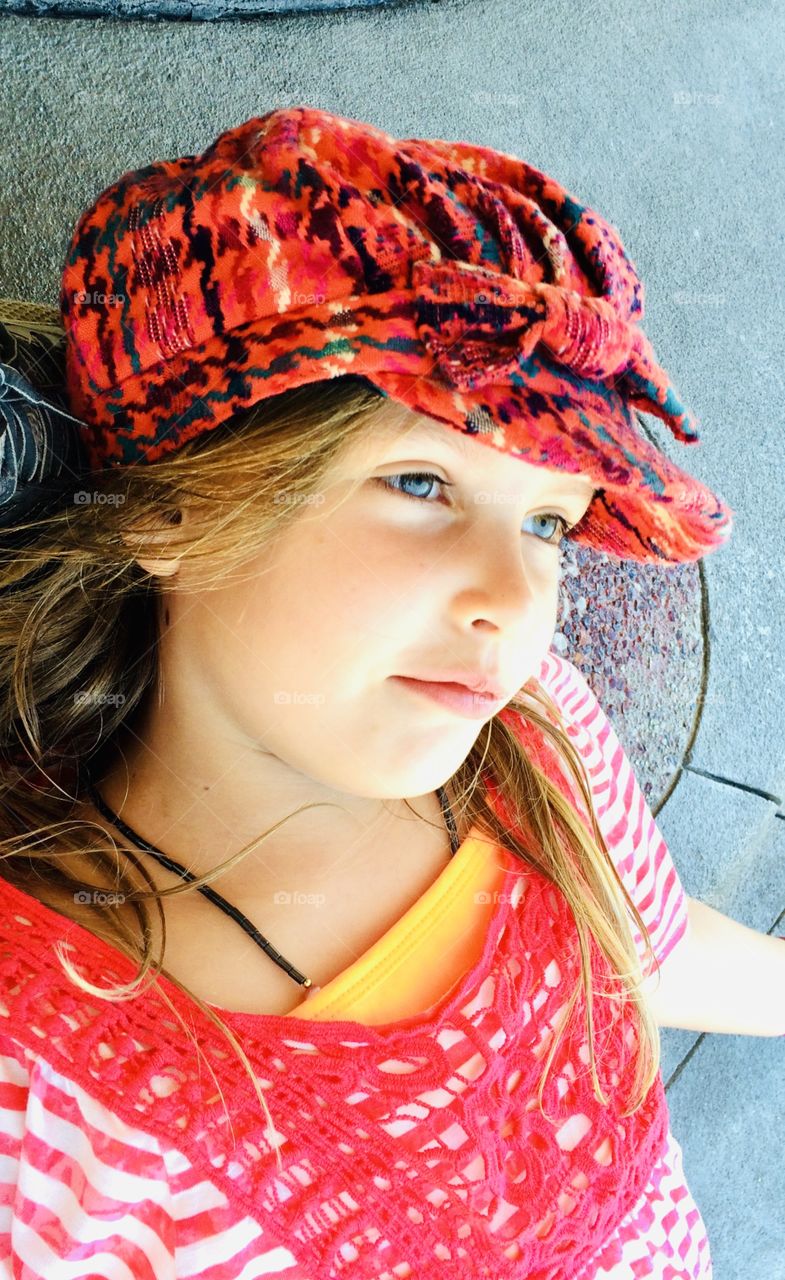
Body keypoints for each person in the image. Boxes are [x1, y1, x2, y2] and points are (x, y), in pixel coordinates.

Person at [0, 103, 773, 1280]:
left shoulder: (531, 731)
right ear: (170, 509)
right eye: (419, 481)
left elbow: (638, 951)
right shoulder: (50, 1106)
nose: (513, 600)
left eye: (546, 523)